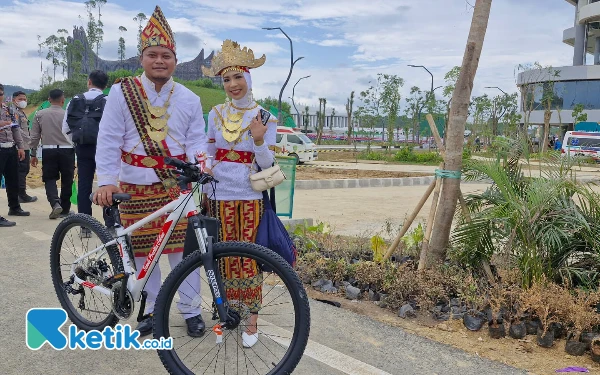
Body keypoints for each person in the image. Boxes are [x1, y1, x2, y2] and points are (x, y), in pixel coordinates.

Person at [93, 6, 207, 338]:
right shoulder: (121, 92)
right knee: (146, 257)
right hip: (133, 186)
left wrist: (201, 167)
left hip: (176, 188)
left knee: (183, 256)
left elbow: (197, 139)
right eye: (153, 54)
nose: (160, 60)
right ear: (142, 58)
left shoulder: (189, 97)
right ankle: (155, 312)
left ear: (175, 60)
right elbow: (110, 138)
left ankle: (190, 312)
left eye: (166, 55)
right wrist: (106, 181)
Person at [201, 39, 277, 348]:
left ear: (249, 78)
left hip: (249, 198)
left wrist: (259, 140)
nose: (233, 84)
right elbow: (207, 153)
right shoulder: (215, 113)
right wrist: (205, 189)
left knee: (249, 260)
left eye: (238, 77)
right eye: (227, 79)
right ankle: (227, 314)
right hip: (219, 197)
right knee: (222, 259)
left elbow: (268, 165)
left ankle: (252, 319)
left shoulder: (264, 117)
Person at [62, 70, 108, 237]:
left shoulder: (74, 100)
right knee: (106, 183)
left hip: (82, 147)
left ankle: (85, 227)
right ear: (105, 85)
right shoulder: (107, 100)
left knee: (84, 185)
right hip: (104, 148)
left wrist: (76, 143)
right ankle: (109, 224)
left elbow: (65, 128)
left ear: (89, 82)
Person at [30, 89, 75, 219]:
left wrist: (33, 154)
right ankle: (65, 210)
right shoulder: (68, 114)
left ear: (49, 100)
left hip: (48, 150)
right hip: (67, 150)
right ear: (63, 100)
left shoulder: (39, 114)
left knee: (49, 178)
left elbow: (34, 137)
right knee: (67, 179)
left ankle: (55, 203)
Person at [0, 83, 29, 226]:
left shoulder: (9, 110)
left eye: (0, 94)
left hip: (10, 148)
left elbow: (15, 128)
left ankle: (14, 207)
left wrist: (20, 147)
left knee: (13, 180)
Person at [12, 91, 38, 203]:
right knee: (22, 170)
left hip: (25, 145)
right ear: (14, 100)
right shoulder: (14, 113)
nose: (23, 101)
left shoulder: (22, 112)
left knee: (24, 170)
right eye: (20, 99)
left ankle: (19, 193)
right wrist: (30, 139)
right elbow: (16, 129)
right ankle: (21, 194)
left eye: (25, 99)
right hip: (20, 146)